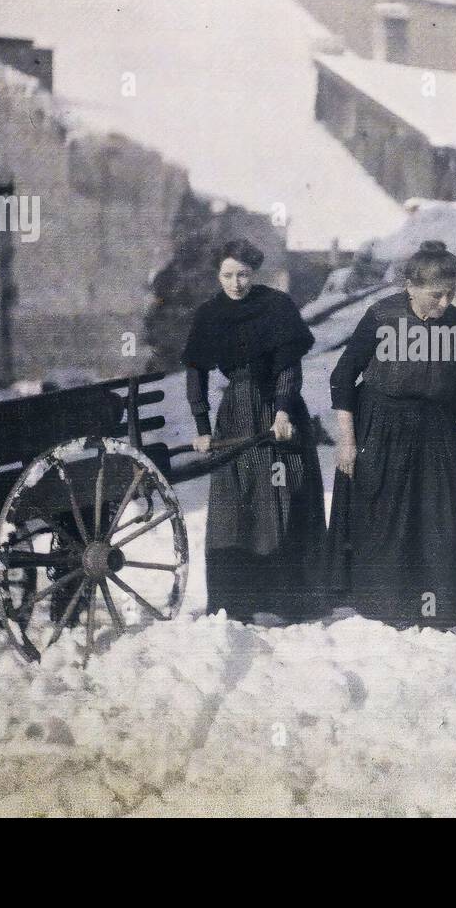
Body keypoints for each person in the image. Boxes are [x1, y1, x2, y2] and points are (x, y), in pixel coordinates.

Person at [326, 240, 456, 631]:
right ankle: (383, 608)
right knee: (386, 518)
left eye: (451, 293)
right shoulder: (381, 316)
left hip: (435, 431)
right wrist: (347, 441)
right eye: (436, 295)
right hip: (382, 427)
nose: (445, 303)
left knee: (433, 518)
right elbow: (342, 378)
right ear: (410, 286)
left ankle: (432, 610)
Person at [181, 238, 329, 623]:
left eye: (243, 275)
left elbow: (288, 368)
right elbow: (195, 371)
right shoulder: (210, 314)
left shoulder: (276, 307)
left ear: (254, 273)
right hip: (235, 413)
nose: (235, 284)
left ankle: (293, 601)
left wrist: (282, 413)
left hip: (279, 410)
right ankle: (239, 602)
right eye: (227, 275)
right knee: (237, 503)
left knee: (284, 493)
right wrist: (201, 427)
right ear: (218, 275)